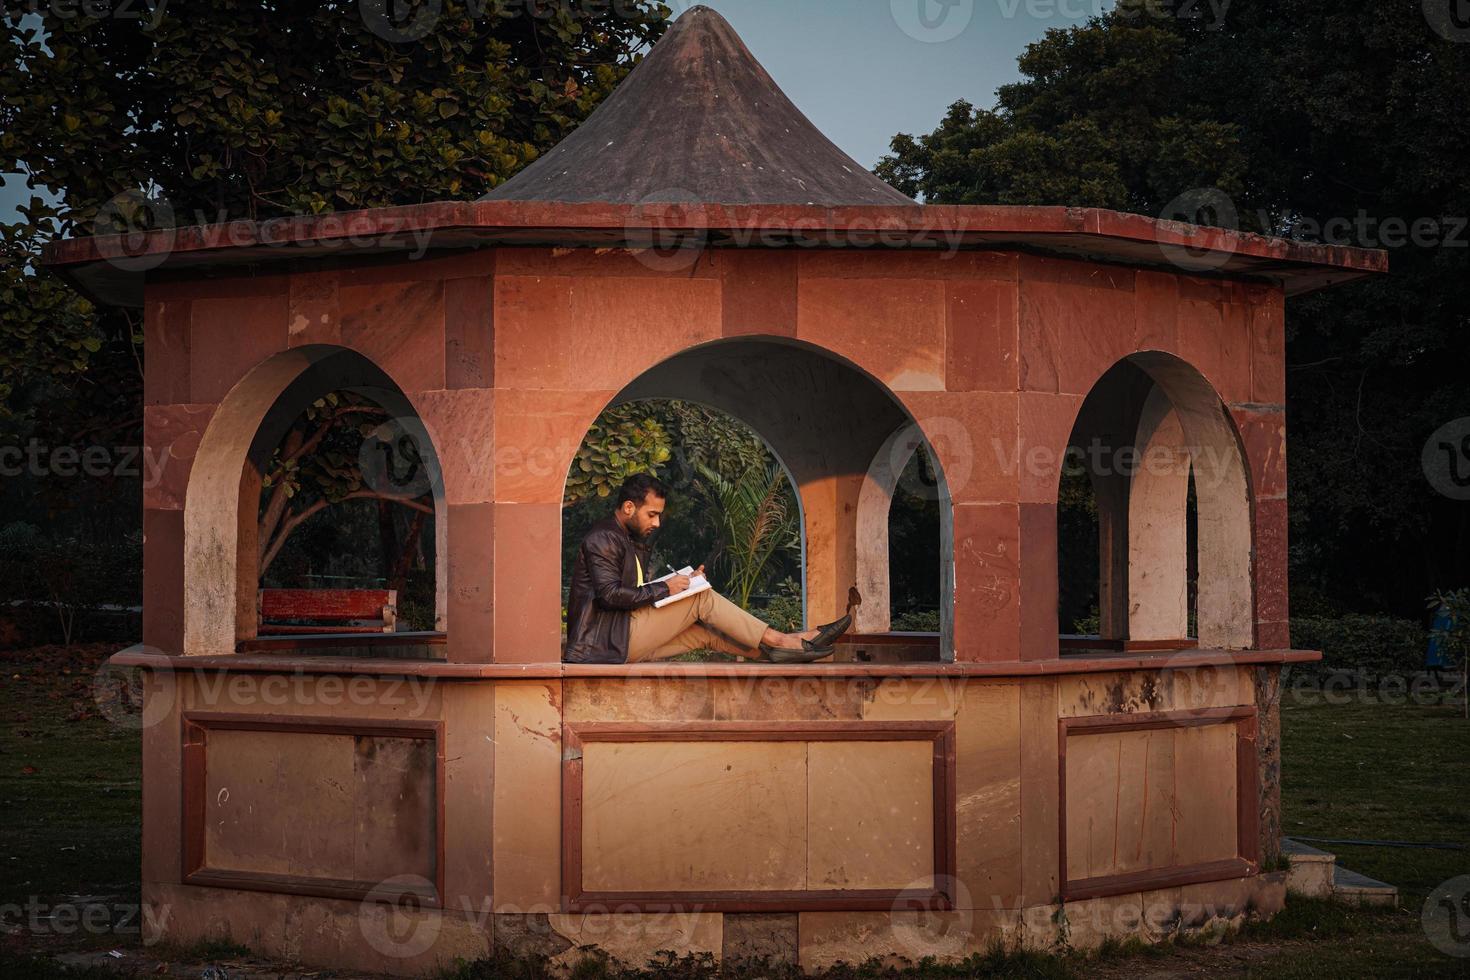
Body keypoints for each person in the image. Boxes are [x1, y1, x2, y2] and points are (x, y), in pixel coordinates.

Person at [564, 474, 851, 665]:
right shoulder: (603, 538)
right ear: (628, 507)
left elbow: (635, 593)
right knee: (702, 598)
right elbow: (610, 596)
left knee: (704, 633)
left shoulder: (624, 538)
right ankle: (783, 640)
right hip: (604, 643)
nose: (657, 523)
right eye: (652, 514)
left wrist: (686, 581)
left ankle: (779, 654)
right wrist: (669, 587)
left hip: (615, 643)